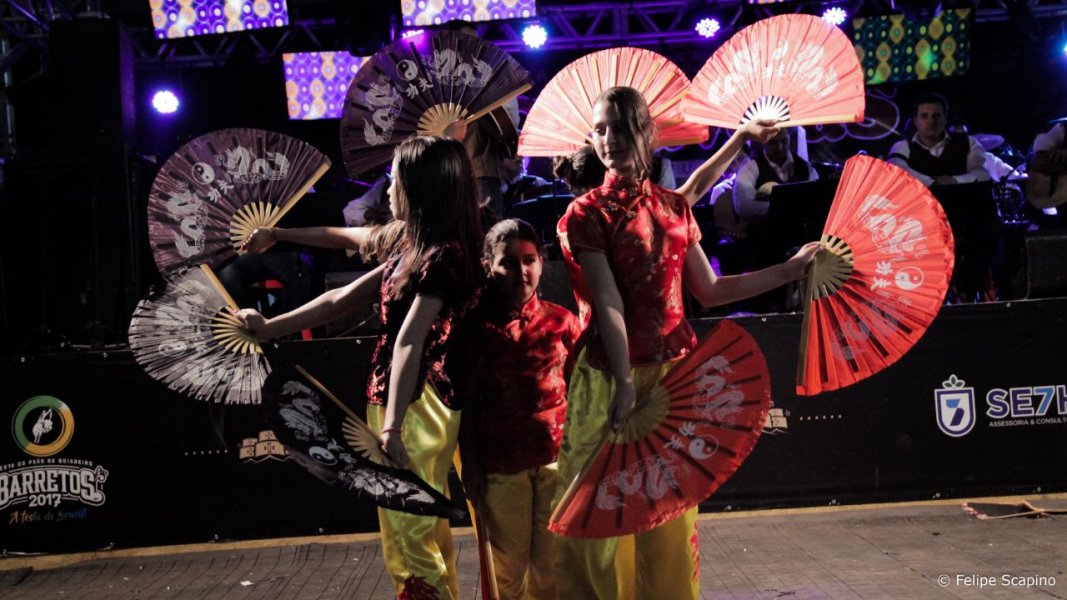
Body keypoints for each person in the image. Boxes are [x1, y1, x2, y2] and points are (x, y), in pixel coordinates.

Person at [554, 86, 819, 600]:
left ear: (644, 133)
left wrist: (791, 268)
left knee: (667, 523)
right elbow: (607, 303)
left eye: (616, 127)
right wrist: (626, 383)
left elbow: (713, 291)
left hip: (674, 377)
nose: (606, 139)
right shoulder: (585, 213)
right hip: (610, 378)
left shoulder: (675, 208)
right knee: (599, 528)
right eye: (598, 129)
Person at [237, 136, 483, 600]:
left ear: (419, 185)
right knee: (416, 531)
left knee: (409, 533)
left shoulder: (441, 256)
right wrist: (271, 319)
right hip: (400, 401)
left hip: (415, 406)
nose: (387, 188)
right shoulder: (412, 244)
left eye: (395, 177)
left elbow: (410, 339)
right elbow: (341, 287)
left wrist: (390, 428)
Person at [457, 218, 581, 600]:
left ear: (542, 262)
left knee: (550, 567)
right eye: (508, 262)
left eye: (529, 260)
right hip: (499, 468)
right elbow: (466, 403)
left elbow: (582, 396)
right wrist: (472, 465)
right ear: (488, 266)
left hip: (556, 462)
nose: (521, 271)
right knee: (505, 570)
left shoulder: (563, 321)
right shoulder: (473, 325)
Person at [886, 92, 991, 187]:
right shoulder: (901, 147)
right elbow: (897, 171)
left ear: (945, 119)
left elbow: (982, 174)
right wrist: (932, 182)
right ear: (915, 121)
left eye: (936, 116)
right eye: (924, 116)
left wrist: (954, 181)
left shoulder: (969, 142)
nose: (931, 121)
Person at [733, 126, 819, 220]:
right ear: (763, 141)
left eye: (784, 141)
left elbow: (816, 201)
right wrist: (784, 207)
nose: (780, 147)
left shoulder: (806, 168)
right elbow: (743, 207)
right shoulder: (750, 168)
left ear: (789, 138)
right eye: (773, 142)